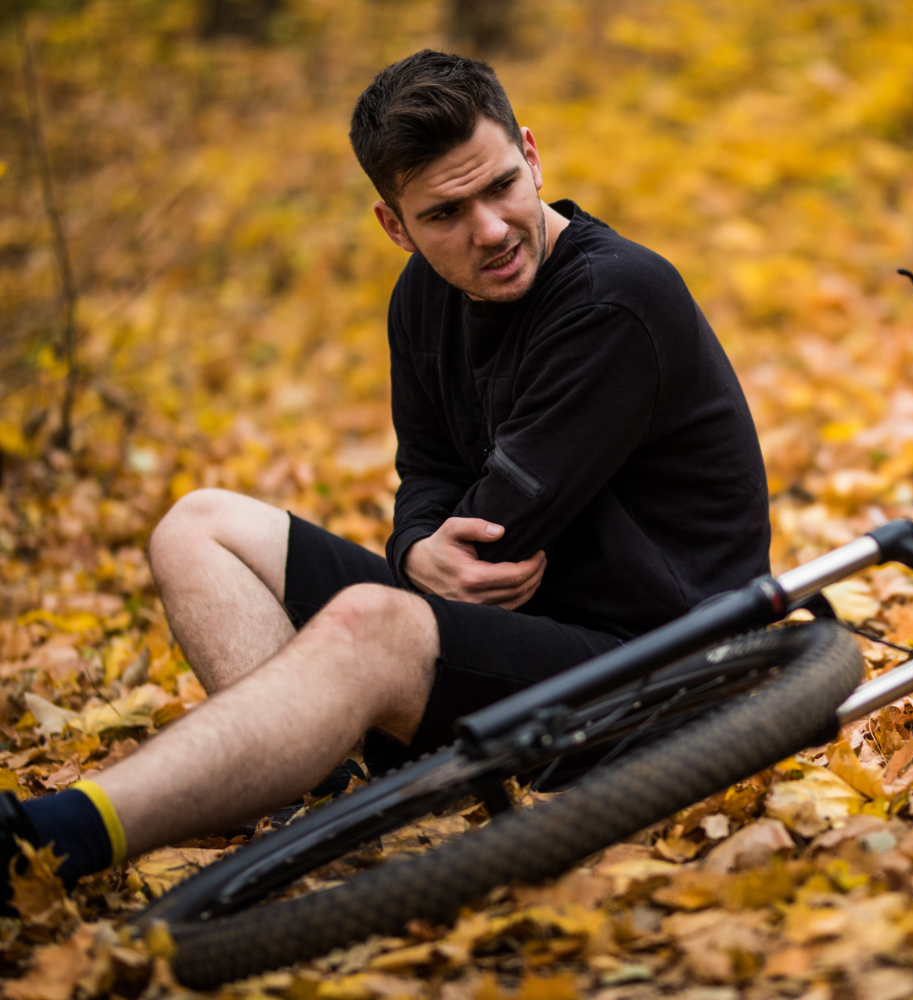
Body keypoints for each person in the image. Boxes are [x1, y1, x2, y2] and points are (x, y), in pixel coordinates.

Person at [0, 49, 771, 896]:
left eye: (502, 186)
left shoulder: (616, 299)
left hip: (658, 678)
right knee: (198, 525)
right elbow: (429, 471)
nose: (489, 229)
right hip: (522, 655)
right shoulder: (425, 295)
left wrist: (424, 563)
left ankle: (52, 837)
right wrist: (412, 552)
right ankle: (330, 804)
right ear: (394, 224)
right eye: (444, 213)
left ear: (532, 152)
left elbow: (493, 537)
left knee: (372, 626)